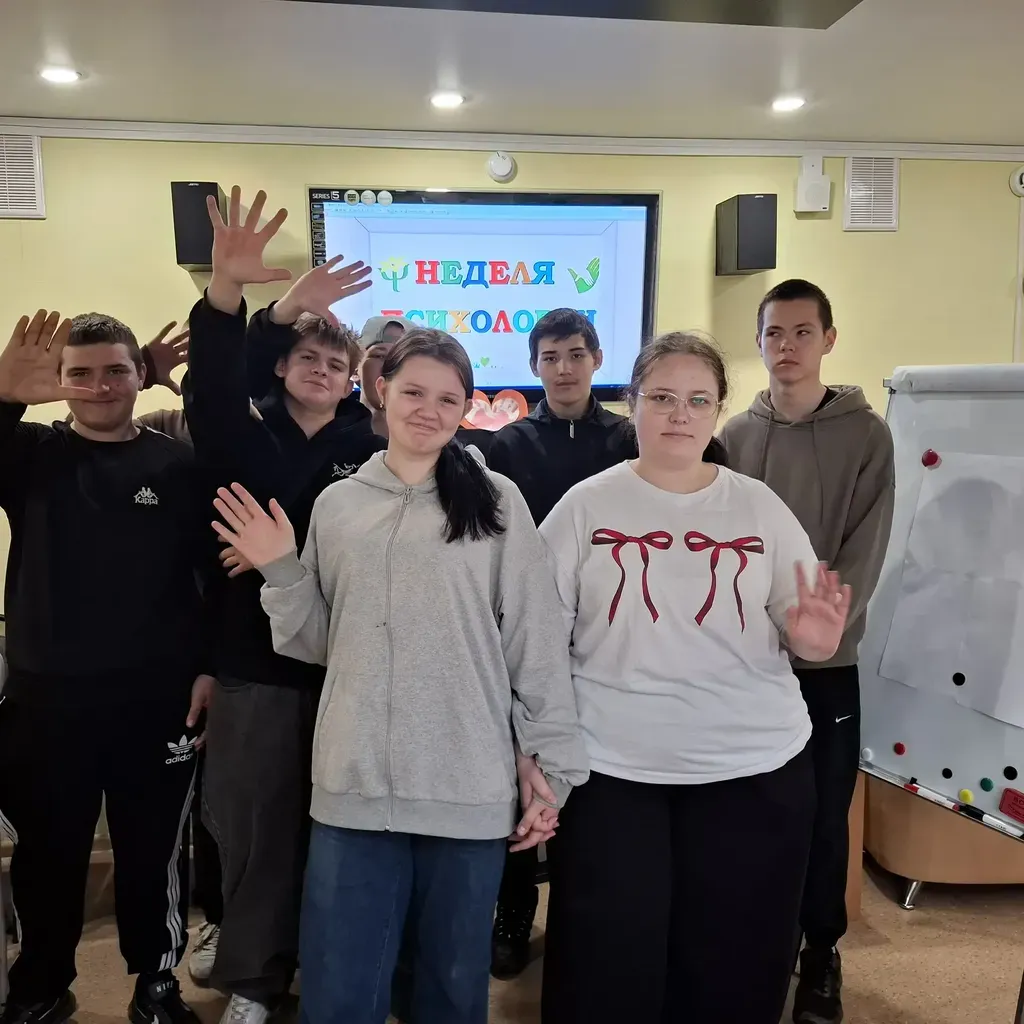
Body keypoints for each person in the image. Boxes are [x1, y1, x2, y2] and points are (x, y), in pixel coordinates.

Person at [212, 327, 589, 1024]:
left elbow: (534, 641)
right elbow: (324, 644)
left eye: (448, 398)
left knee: (449, 989)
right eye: (414, 391)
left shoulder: (497, 501)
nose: (429, 410)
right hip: (354, 787)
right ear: (381, 390)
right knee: (340, 991)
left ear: (466, 408)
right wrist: (281, 569)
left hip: (465, 785)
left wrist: (553, 765)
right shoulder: (339, 505)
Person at [538, 332, 852, 1024]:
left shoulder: (758, 507)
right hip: (612, 769)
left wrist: (812, 637)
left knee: (732, 959)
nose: (680, 414)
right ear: (633, 404)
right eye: (662, 397)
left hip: (753, 766)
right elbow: (537, 641)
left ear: (718, 411)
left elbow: (802, 622)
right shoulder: (584, 507)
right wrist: (537, 750)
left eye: (698, 400)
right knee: (609, 958)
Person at [183, 187, 385, 1024]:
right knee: (255, 831)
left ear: (354, 381)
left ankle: (340, 977)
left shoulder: (373, 452)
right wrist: (239, 298)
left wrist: (284, 557)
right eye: (308, 356)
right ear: (279, 365)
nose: (322, 370)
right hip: (255, 667)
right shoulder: (241, 428)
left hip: (349, 665)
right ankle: (254, 983)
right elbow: (210, 382)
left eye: (338, 364)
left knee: (346, 838)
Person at [0, 310, 214, 1024]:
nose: (99, 386)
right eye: (81, 373)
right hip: (46, 703)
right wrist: (4, 397)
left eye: (115, 371)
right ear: (59, 381)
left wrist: (208, 668)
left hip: (157, 701)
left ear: (139, 374)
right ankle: (41, 983)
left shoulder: (177, 465)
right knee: (48, 850)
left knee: (153, 851)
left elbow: (210, 578)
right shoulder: (29, 452)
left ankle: (156, 981)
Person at [718, 278, 894, 1024]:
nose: (786, 346)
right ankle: (755, 942)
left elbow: (865, 550)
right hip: (741, 663)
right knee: (745, 809)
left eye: (801, 332)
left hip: (825, 668)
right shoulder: (733, 434)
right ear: (758, 342)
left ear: (828, 339)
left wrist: (813, 633)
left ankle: (821, 951)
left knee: (823, 815)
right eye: (773, 333)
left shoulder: (867, 435)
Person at [356, 314, 495, 457]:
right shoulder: (342, 447)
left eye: (447, 400)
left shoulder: (470, 460)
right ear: (356, 367)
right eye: (379, 356)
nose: (389, 368)